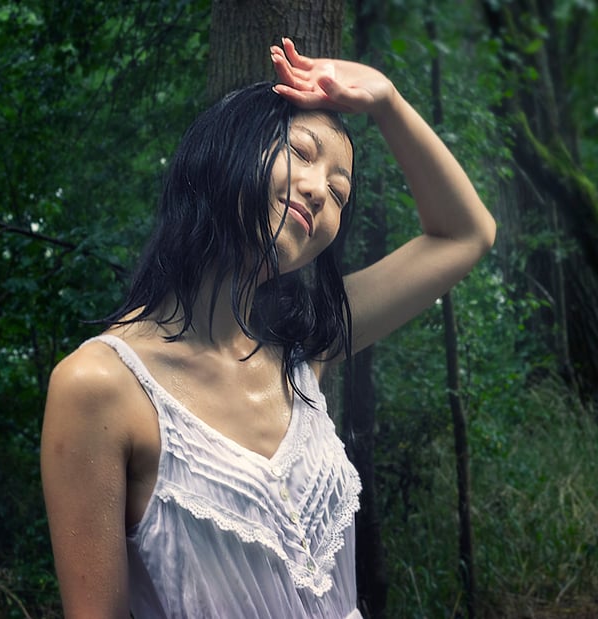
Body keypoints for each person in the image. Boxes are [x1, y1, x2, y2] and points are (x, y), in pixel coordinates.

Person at [40, 38, 496, 618]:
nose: (317, 191)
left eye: (338, 193)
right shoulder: (99, 387)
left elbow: (467, 234)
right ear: (226, 151)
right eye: (302, 153)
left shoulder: (305, 351)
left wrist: (387, 102)